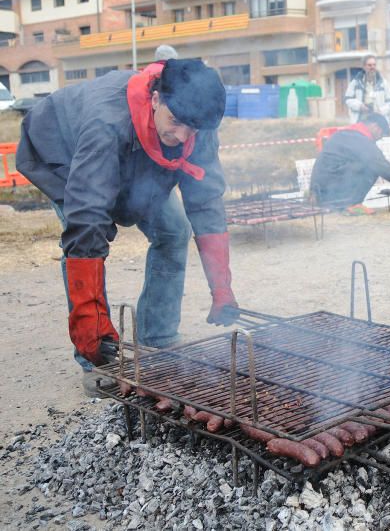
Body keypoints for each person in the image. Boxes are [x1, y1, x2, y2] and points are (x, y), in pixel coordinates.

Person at [16, 58, 240, 387]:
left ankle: (158, 338)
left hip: (140, 156)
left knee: (174, 231)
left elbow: (205, 201)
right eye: (175, 122)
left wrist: (221, 287)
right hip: (64, 155)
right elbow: (87, 222)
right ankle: (94, 356)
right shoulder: (105, 122)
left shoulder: (196, 121)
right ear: (155, 100)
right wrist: (89, 321)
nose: (181, 136)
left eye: (191, 129)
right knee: (90, 236)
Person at [309, 112, 390, 215]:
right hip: (329, 185)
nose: (378, 139)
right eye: (381, 135)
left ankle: (342, 203)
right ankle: (351, 204)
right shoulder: (359, 138)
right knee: (370, 167)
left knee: (367, 164)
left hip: (321, 186)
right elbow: (381, 165)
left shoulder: (347, 133)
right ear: (375, 127)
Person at [344, 55, 390, 123]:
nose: (372, 67)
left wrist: (381, 110)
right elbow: (348, 99)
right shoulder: (355, 82)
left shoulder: (383, 83)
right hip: (361, 120)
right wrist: (360, 106)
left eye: (374, 65)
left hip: (379, 121)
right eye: (369, 65)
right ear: (364, 66)